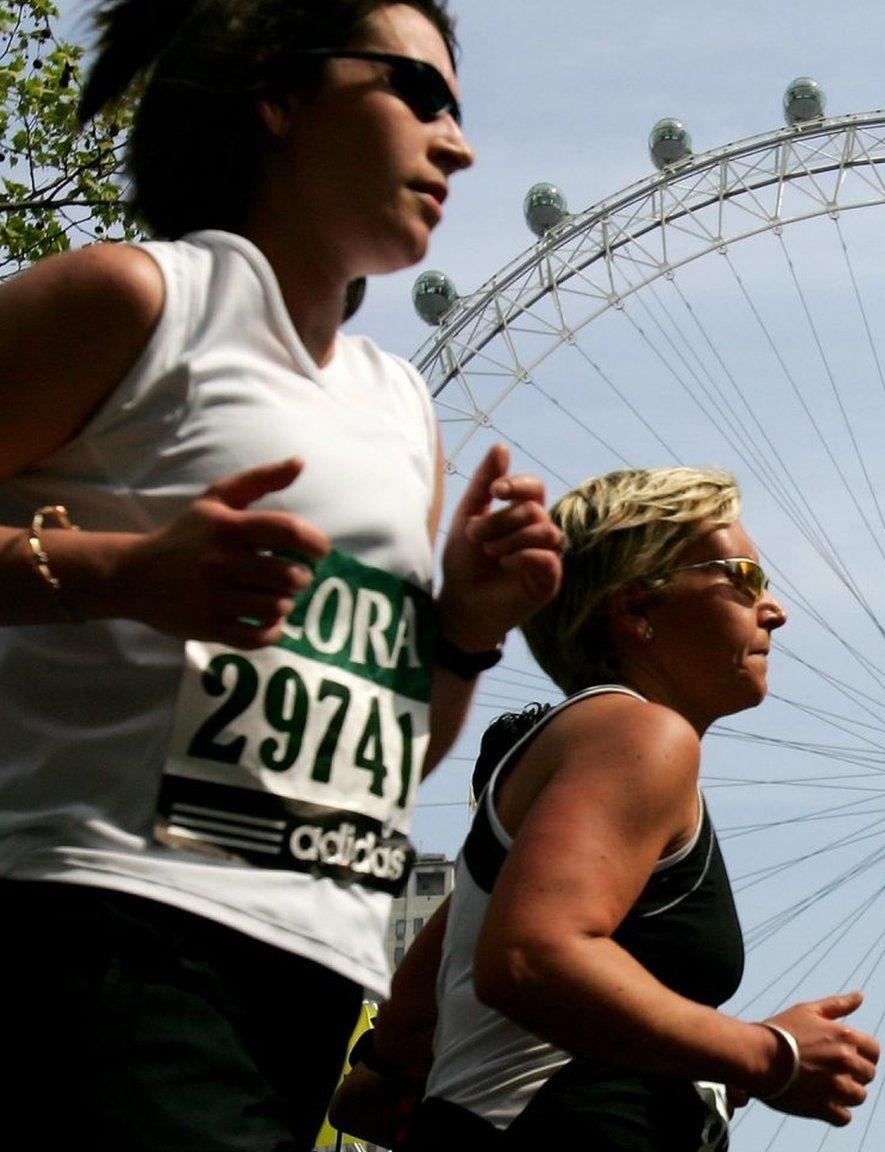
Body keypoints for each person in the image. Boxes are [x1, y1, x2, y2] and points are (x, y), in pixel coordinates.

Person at [0, 2, 563, 1148]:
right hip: (106, 927)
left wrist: (462, 630)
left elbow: (392, 745)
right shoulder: (137, 302)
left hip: (313, 968)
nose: (456, 144)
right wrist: (124, 574)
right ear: (280, 96)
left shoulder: (400, 409)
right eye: (418, 93)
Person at [341, 467, 880, 1150]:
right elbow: (532, 957)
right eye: (743, 577)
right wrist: (770, 1055)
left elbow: (407, 1036)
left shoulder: (563, 765)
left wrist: (705, 1075)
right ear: (636, 611)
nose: (773, 609)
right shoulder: (642, 735)